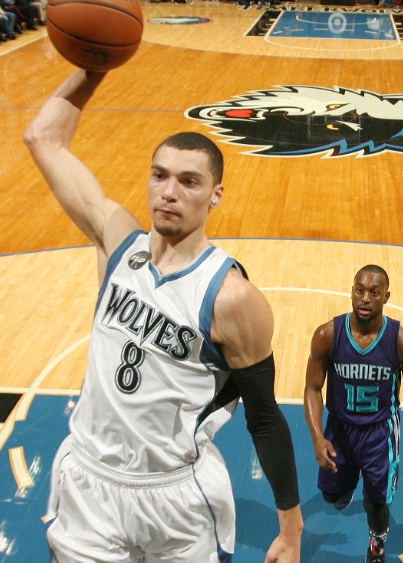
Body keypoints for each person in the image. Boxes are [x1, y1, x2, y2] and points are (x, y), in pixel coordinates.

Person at [23, 69, 303, 562]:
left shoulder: (232, 298)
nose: (169, 192)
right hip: (89, 482)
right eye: (160, 175)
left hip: (175, 494)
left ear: (216, 194)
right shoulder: (116, 241)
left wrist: (291, 526)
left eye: (189, 181)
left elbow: (263, 417)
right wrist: (93, 67)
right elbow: (42, 138)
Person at [303, 265, 403, 563]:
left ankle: (376, 549)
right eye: (360, 290)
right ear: (351, 292)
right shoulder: (327, 335)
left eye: (374, 292)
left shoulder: (402, 342)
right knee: (330, 496)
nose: (365, 298)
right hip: (339, 430)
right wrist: (316, 437)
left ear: (386, 297)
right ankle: (344, 487)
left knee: (376, 504)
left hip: (380, 435)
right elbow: (313, 389)